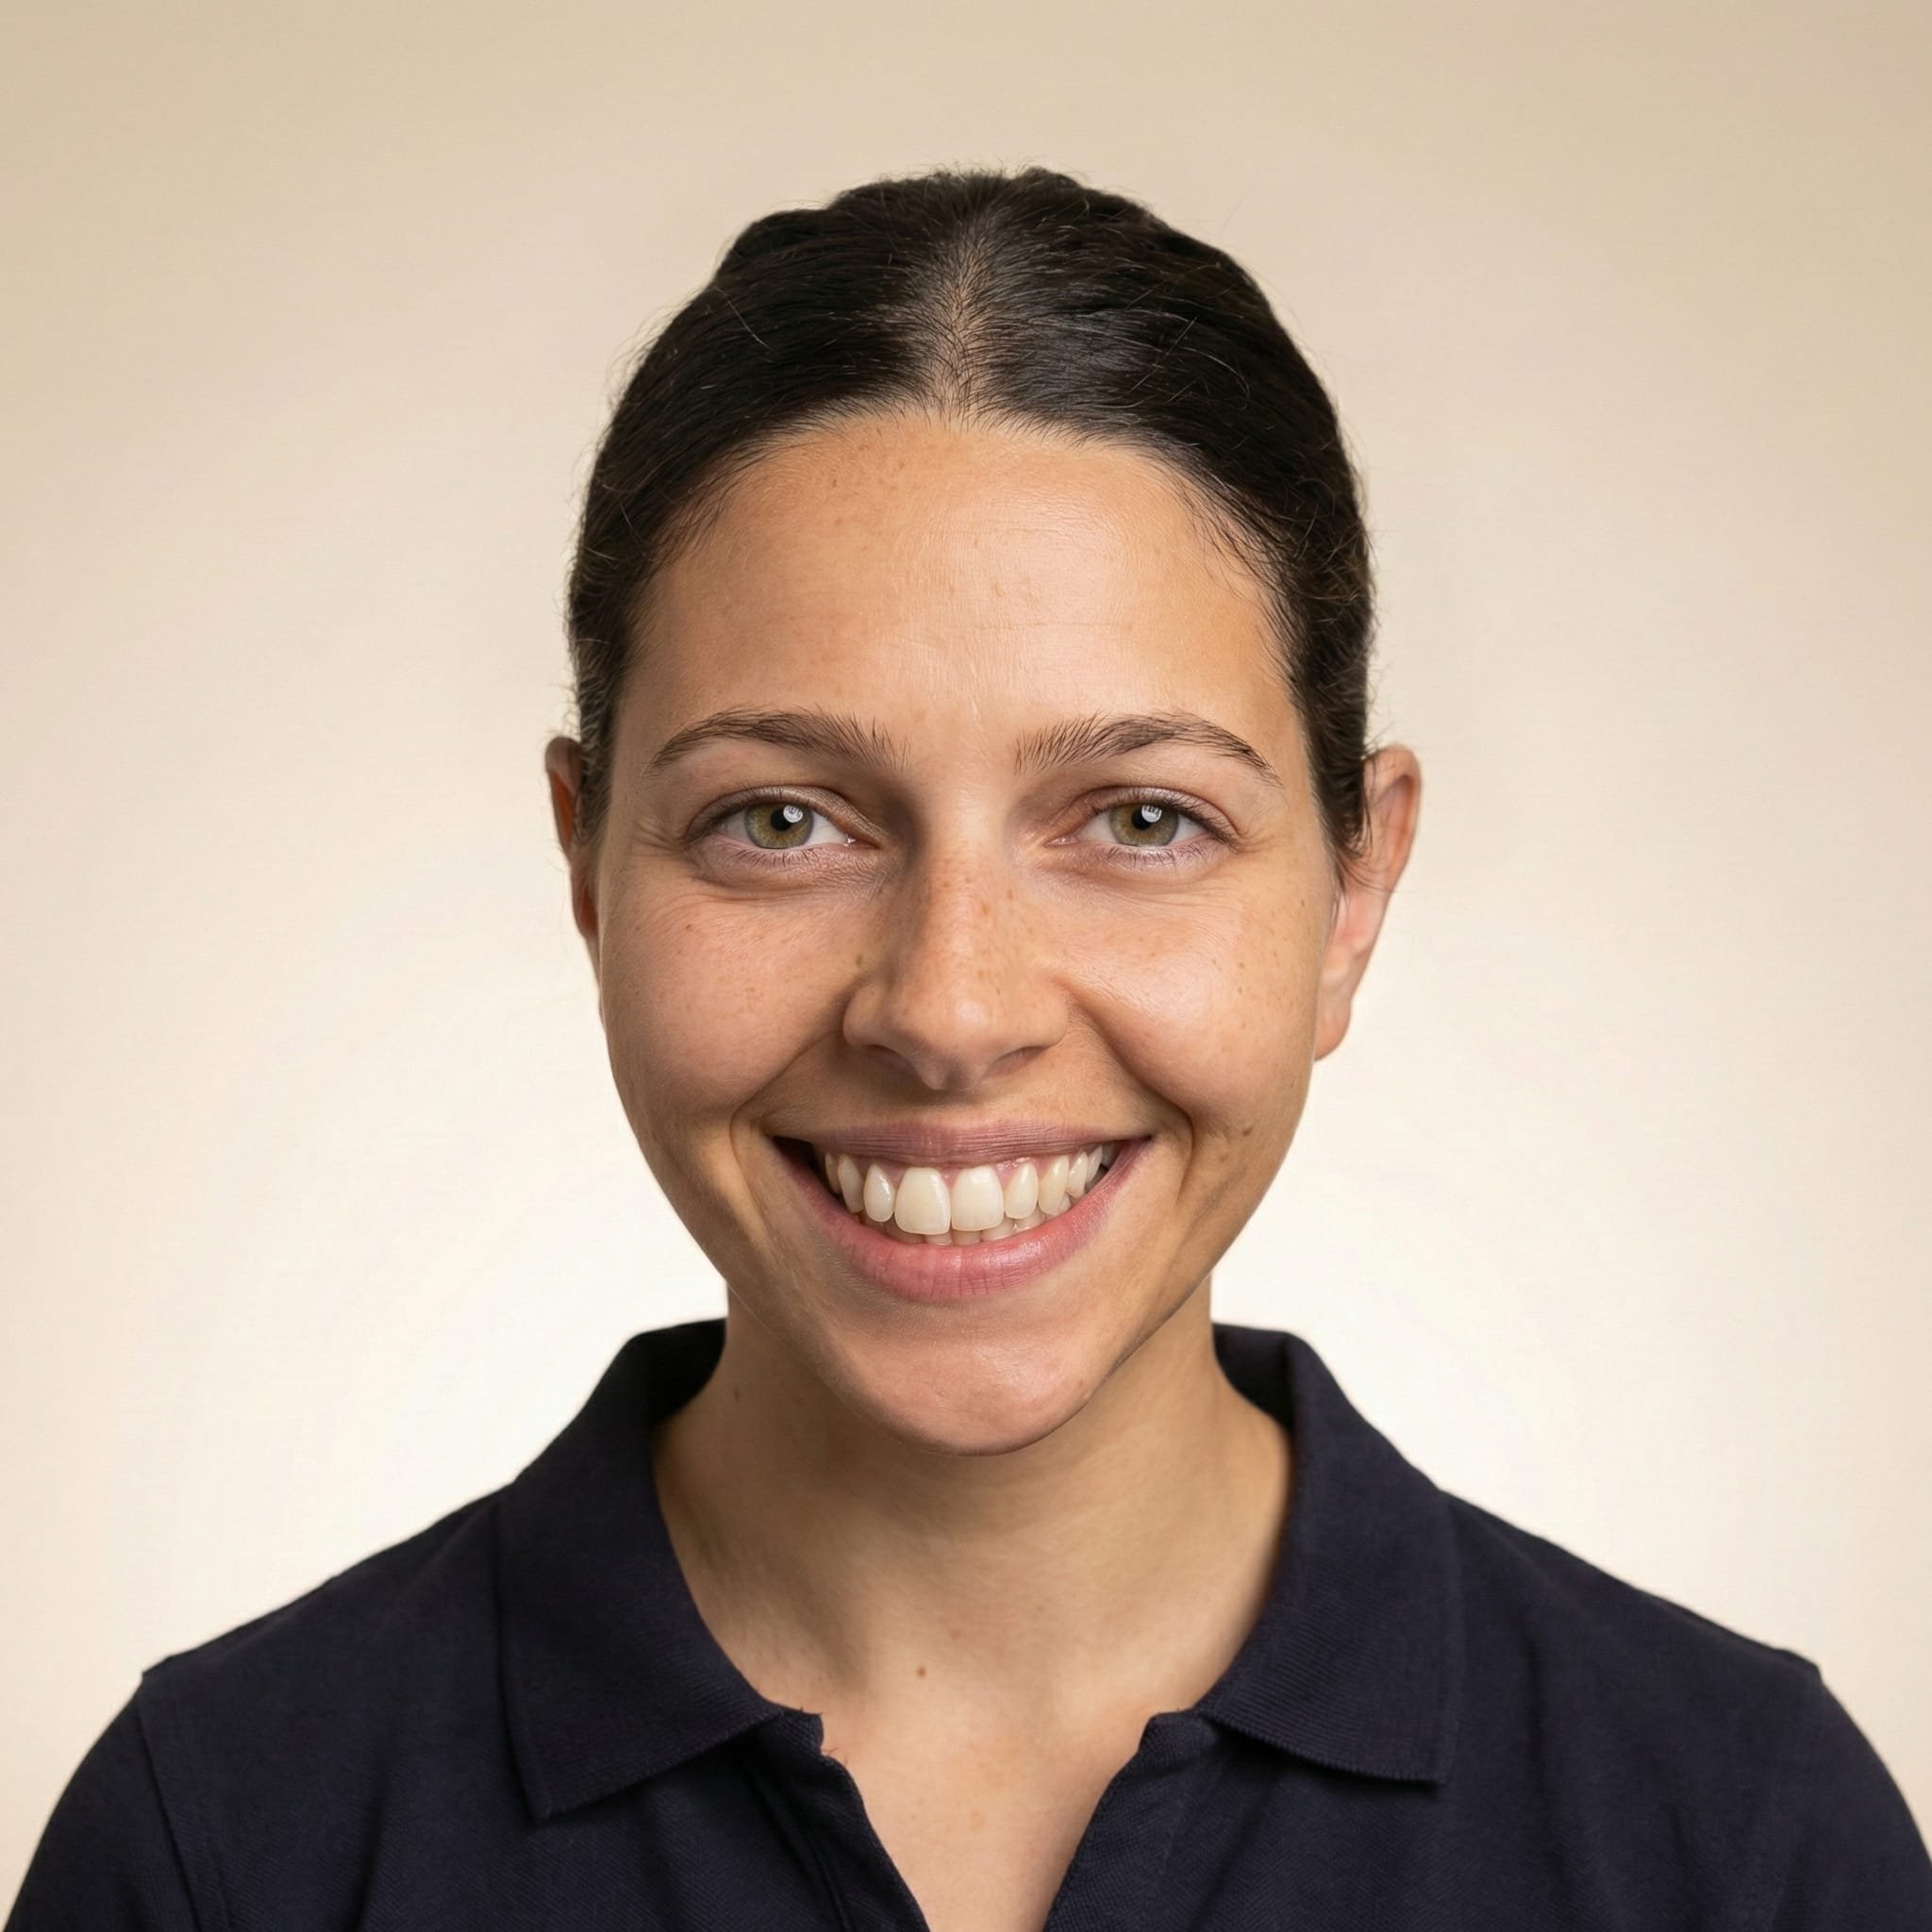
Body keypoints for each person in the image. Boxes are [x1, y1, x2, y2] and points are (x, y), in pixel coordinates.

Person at [9, 164, 1929, 1932]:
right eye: (781, 818)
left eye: (1140, 818)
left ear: (1354, 889)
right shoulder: (224, 1848)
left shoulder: (1735, 1840)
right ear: (589, 869)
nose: (947, 1007)